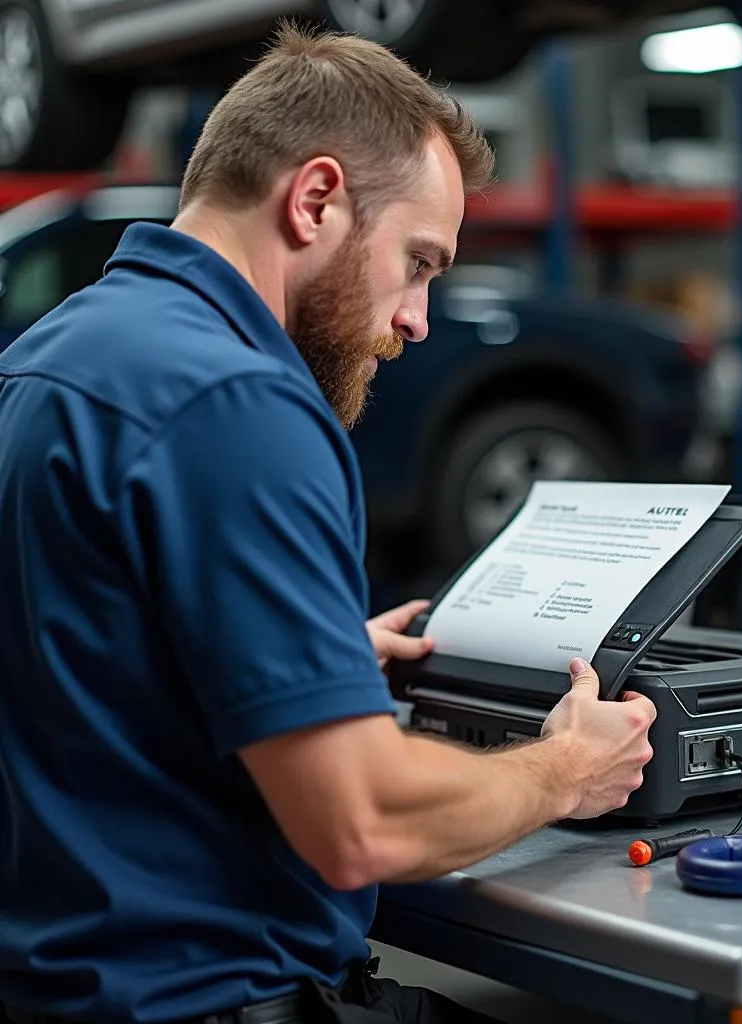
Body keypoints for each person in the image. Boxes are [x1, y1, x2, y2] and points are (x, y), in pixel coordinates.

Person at [0, 22, 657, 1024]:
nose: (419, 319)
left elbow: (74, 655)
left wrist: (307, 662)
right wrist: (568, 768)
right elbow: (362, 824)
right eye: (419, 261)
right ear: (314, 201)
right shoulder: (239, 401)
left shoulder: (50, 360)